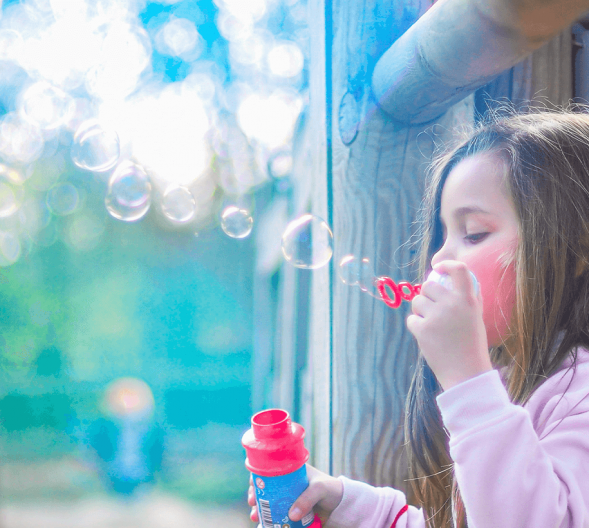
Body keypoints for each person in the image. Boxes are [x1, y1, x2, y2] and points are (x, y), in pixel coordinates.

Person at [248, 110, 589, 527]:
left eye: (475, 233)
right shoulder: (505, 384)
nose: (439, 258)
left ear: (572, 250)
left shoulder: (578, 396)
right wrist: (344, 503)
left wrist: (467, 379)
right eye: (443, 234)